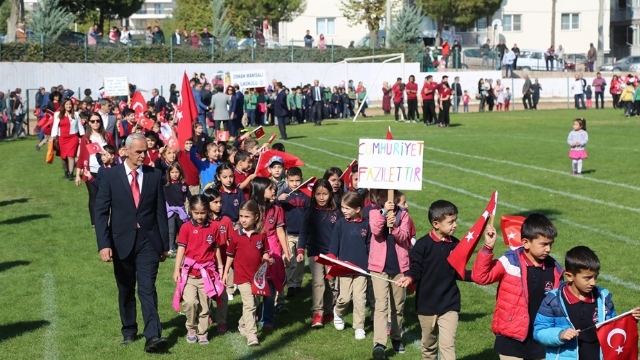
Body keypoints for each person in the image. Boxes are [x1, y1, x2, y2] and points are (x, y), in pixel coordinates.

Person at [94, 133, 169, 353]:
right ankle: (129, 330)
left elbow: (160, 212)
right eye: (138, 151)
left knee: (147, 288)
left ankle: (153, 336)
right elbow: (101, 212)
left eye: (145, 151)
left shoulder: (154, 175)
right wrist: (104, 244)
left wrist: (164, 244)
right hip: (120, 241)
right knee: (126, 288)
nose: (143, 155)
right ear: (125, 151)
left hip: (148, 241)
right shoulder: (110, 176)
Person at [472, 213, 563, 360]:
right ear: (526, 242)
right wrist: (488, 247)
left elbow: (559, 304)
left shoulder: (554, 269)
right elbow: (481, 277)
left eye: (550, 244)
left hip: (541, 338)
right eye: (543, 244)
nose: (548, 249)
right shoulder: (510, 262)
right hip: (511, 338)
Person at [533, 246, 640, 360]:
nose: (593, 282)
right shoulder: (553, 301)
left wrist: (629, 318)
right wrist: (560, 335)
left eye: (595, 276)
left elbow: (611, 326)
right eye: (587, 278)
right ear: (569, 276)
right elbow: (539, 331)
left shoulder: (603, 297)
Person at [396, 200, 470, 360]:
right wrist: (409, 278)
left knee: (448, 345)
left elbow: (458, 272)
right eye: (451, 222)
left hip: (449, 303)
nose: (455, 225)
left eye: (455, 220)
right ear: (436, 224)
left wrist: (478, 276)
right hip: (426, 305)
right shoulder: (422, 245)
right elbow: (416, 270)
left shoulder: (456, 244)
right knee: (429, 346)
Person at [172, 195, 224, 345]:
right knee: (189, 302)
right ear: (191, 211)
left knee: (205, 306)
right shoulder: (186, 227)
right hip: (189, 275)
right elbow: (181, 249)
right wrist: (177, 270)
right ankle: (191, 328)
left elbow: (216, 249)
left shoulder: (213, 227)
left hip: (206, 275)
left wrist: (220, 267)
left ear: (207, 211)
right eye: (196, 213)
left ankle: (202, 333)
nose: (200, 216)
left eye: (203, 213)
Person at [222, 200, 273, 346]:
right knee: (249, 304)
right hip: (242, 277)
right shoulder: (236, 235)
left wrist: (268, 260)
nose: (243, 220)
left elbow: (265, 253)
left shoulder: (261, 235)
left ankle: (242, 324)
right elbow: (230, 255)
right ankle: (252, 335)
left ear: (256, 217)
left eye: (246, 216)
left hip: (256, 278)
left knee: (255, 302)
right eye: (241, 216)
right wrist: (225, 273)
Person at [369, 190, 411, 360]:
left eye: (390, 198)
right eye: (383, 198)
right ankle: (379, 343)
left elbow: (404, 237)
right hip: (379, 267)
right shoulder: (374, 212)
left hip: (399, 267)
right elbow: (376, 230)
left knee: (398, 305)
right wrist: (384, 213)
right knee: (381, 304)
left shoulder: (404, 215)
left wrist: (394, 227)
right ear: (379, 199)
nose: (387, 200)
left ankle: (396, 336)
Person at [297, 179, 342, 328]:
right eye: (318, 194)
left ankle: (328, 311)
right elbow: (303, 233)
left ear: (330, 194)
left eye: (325, 194)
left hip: (332, 254)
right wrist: (300, 250)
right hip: (315, 253)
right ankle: (317, 314)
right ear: (313, 195)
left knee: (330, 283)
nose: (321, 198)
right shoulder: (310, 212)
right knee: (318, 283)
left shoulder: (337, 212)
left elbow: (341, 233)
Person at [250, 178, 292, 327]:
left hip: (273, 251)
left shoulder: (277, 209)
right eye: (270, 188)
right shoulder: (251, 209)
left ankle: (267, 319)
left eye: (274, 188)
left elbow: (280, 231)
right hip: (256, 250)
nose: (274, 190)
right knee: (254, 287)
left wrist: (286, 252)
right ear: (260, 191)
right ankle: (251, 316)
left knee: (271, 287)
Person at [330, 192, 370, 340]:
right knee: (345, 297)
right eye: (342, 208)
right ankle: (338, 312)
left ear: (358, 209)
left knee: (360, 298)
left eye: (347, 208)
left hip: (361, 269)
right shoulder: (340, 223)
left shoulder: (367, 225)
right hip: (344, 267)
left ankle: (359, 327)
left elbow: (370, 245)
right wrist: (332, 260)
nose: (344, 211)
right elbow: (334, 244)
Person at [75, 112, 115, 226]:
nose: (95, 123)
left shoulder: (107, 136)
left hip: (106, 170)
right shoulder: (85, 138)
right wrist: (77, 174)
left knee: (107, 196)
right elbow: (82, 156)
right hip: (90, 171)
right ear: (89, 123)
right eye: (93, 121)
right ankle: (95, 222)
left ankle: (107, 220)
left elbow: (114, 152)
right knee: (94, 196)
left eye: (98, 121)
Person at [277, 167, 310, 297]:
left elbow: (308, 213)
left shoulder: (305, 195)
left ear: (301, 180)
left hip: (302, 234)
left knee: (300, 260)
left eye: (297, 180)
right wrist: (279, 200)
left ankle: (297, 283)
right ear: (287, 181)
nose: (295, 183)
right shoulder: (284, 194)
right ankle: (289, 285)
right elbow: (276, 209)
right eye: (292, 181)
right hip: (288, 233)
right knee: (290, 260)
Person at [51, 99, 84, 180]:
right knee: (63, 157)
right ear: (63, 105)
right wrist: (53, 136)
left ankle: (70, 173)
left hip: (73, 138)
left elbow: (80, 126)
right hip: (62, 138)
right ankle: (66, 172)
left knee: (71, 156)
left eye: (70, 104)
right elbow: (55, 126)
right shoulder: (58, 114)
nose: (68, 106)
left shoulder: (76, 114)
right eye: (67, 104)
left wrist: (84, 136)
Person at [164, 162, 189, 256]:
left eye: (177, 172)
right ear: (169, 173)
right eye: (172, 172)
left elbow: (188, 196)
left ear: (180, 173)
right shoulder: (166, 185)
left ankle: (183, 245)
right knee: (171, 230)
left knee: (182, 229)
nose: (175, 174)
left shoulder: (183, 185)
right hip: (170, 211)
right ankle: (170, 247)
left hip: (180, 211)